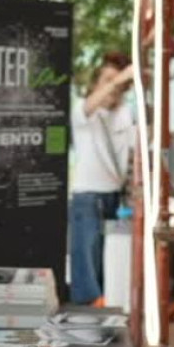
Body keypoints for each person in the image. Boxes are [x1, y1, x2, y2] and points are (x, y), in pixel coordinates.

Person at [69, 53, 135, 306]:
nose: (113, 87)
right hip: (88, 196)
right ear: (96, 83)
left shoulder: (124, 114)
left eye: (119, 84)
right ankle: (87, 310)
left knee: (111, 261)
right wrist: (118, 79)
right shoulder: (83, 111)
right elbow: (88, 106)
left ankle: (105, 309)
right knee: (87, 263)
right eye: (107, 80)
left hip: (114, 197)